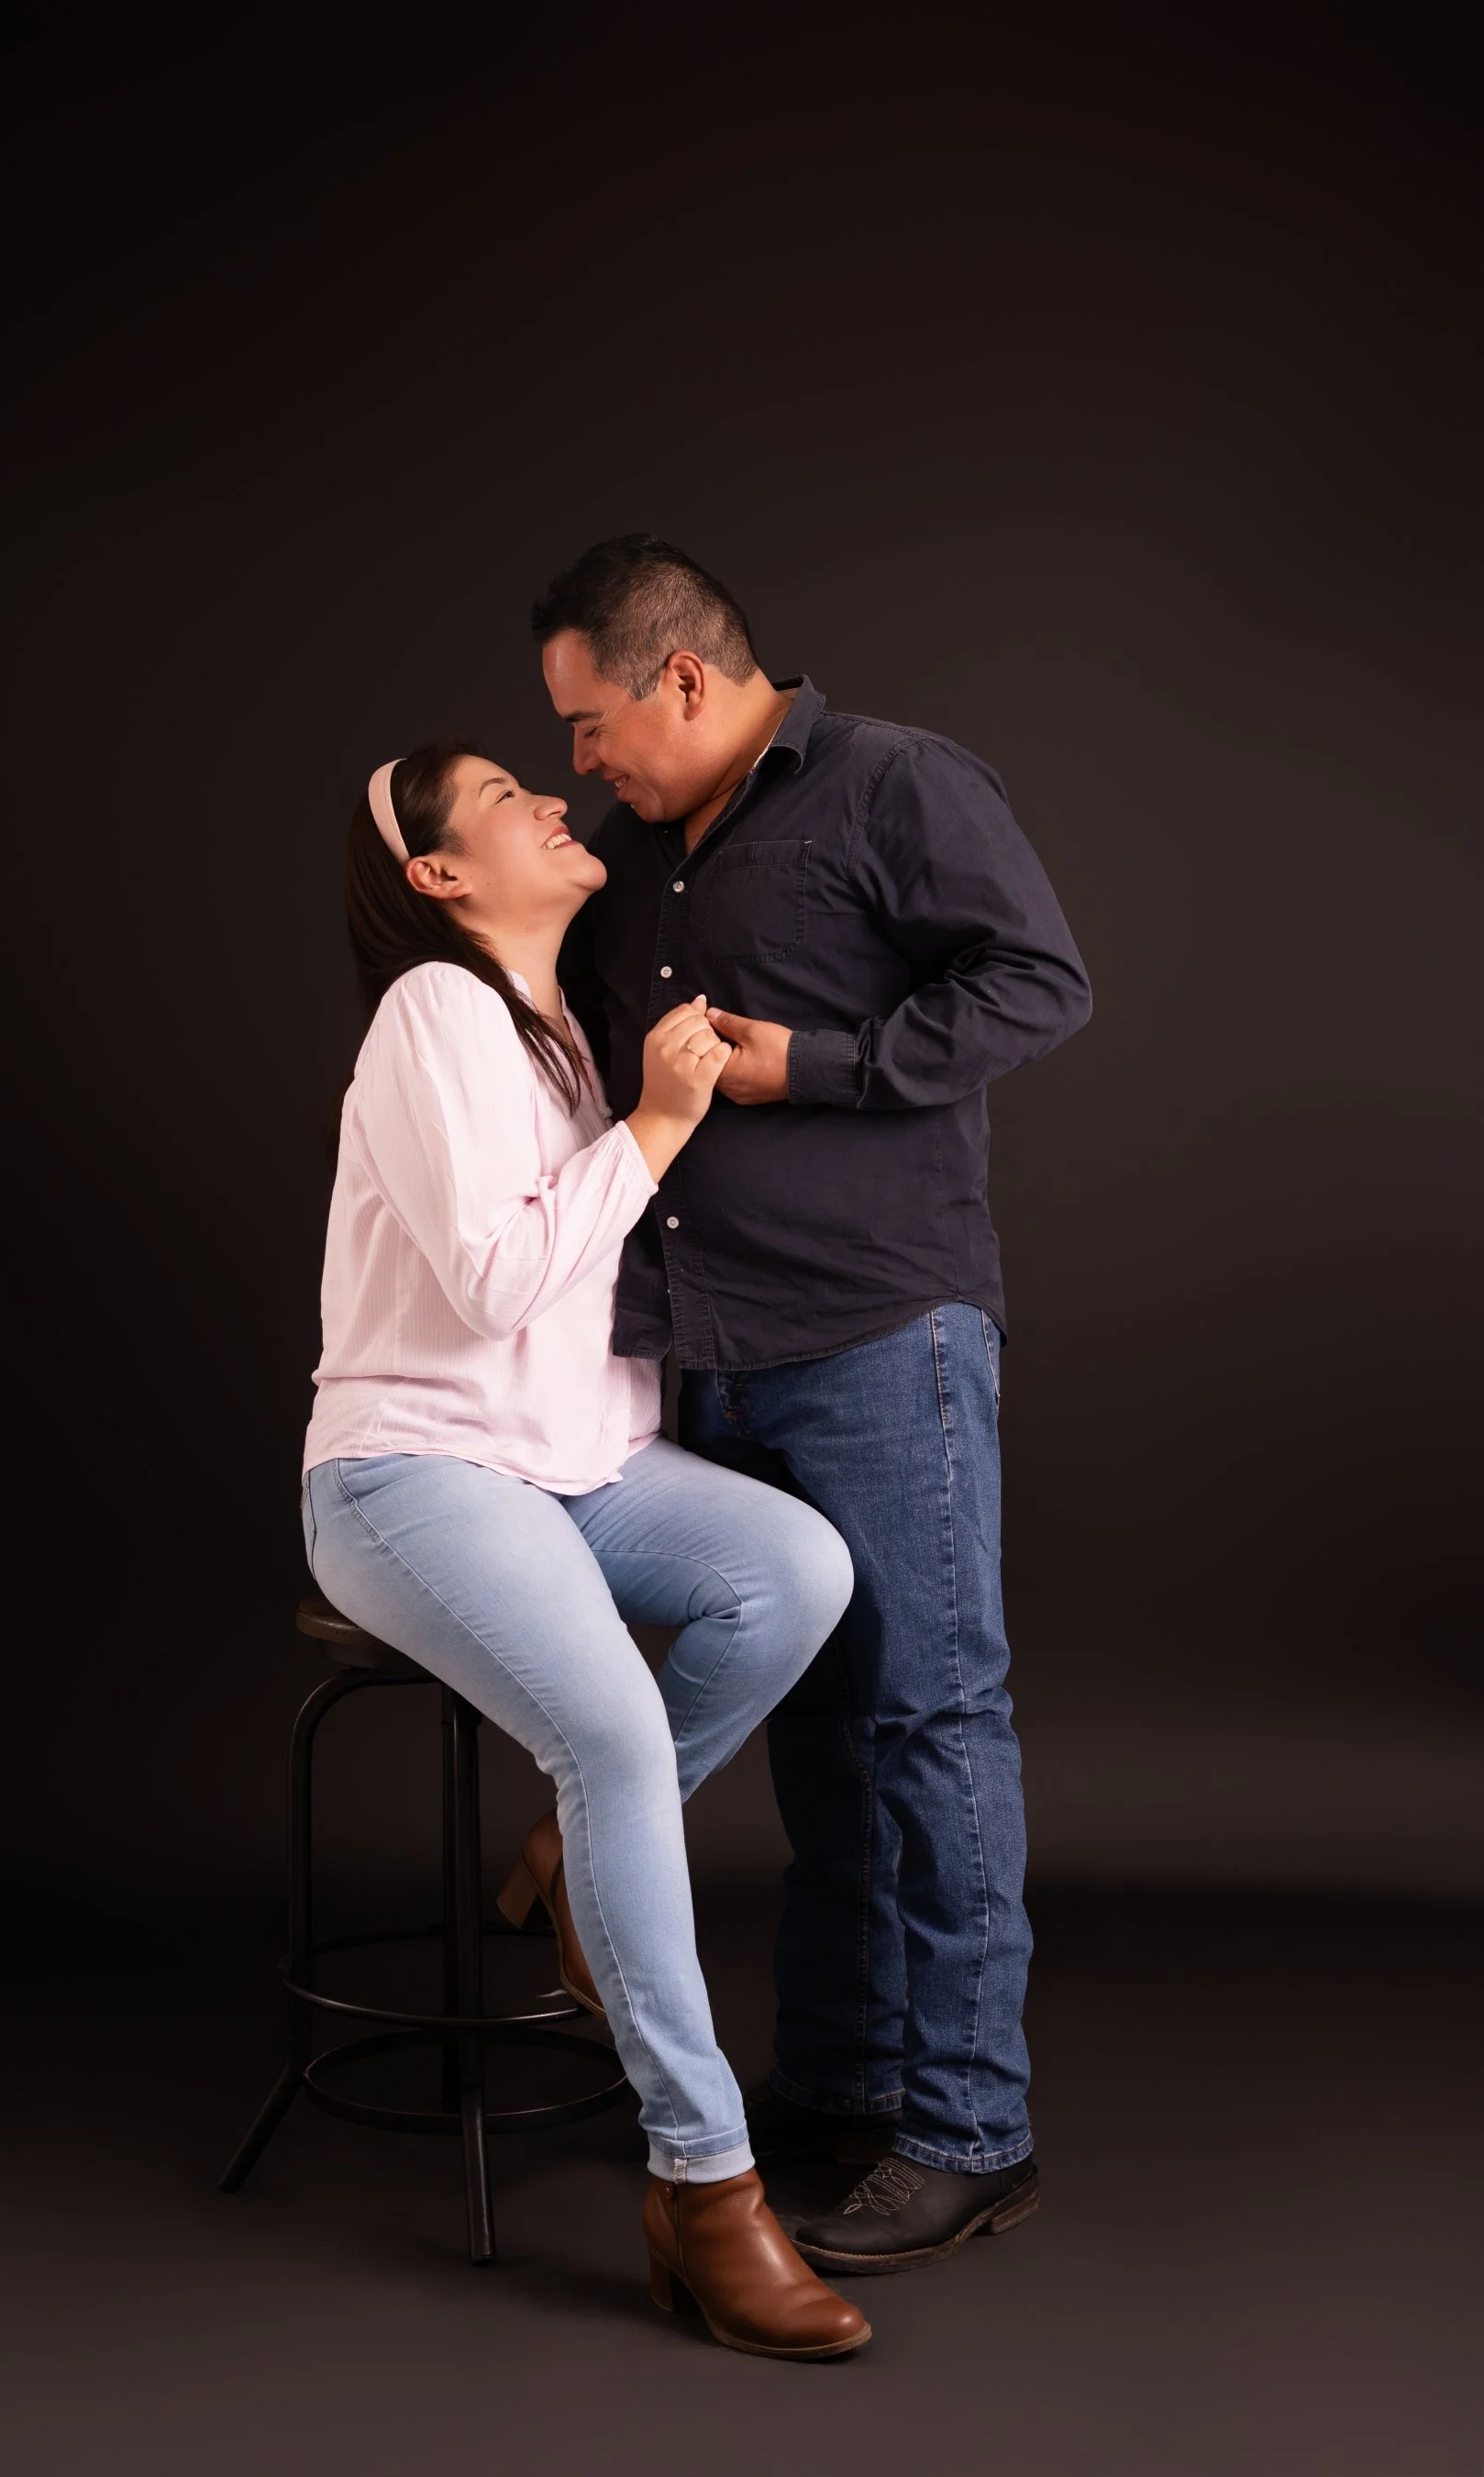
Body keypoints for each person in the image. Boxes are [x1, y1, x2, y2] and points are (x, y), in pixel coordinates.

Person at [536, 537, 1093, 2276]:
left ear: (685, 677)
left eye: (591, 722)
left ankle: (971, 2132)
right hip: (706, 1350)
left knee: (931, 1721)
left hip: (876, 1334)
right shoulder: (636, 853)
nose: (581, 760)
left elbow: (1039, 982)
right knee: (821, 1733)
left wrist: (822, 1066)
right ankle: (846, 2086)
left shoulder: (895, 781)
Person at [301, 738, 869, 2356]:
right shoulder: (433, 1011)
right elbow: (493, 1285)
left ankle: (572, 1855)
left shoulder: (552, 1034)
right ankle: (706, 2185)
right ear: (438, 875)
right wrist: (661, 1125)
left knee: (797, 1573)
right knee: (613, 1731)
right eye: (505, 799)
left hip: (578, 1467)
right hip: (413, 1469)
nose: (554, 800)